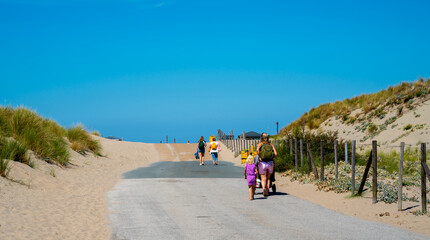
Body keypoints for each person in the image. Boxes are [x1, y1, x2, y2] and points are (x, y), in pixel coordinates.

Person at [256, 132, 277, 197]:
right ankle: (267, 191)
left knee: (263, 178)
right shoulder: (270, 144)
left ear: (261, 137)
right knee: (268, 178)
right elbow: (275, 153)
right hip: (270, 163)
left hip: (263, 163)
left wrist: (260, 157)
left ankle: (263, 189)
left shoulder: (260, 144)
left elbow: (257, 151)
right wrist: (272, 157)